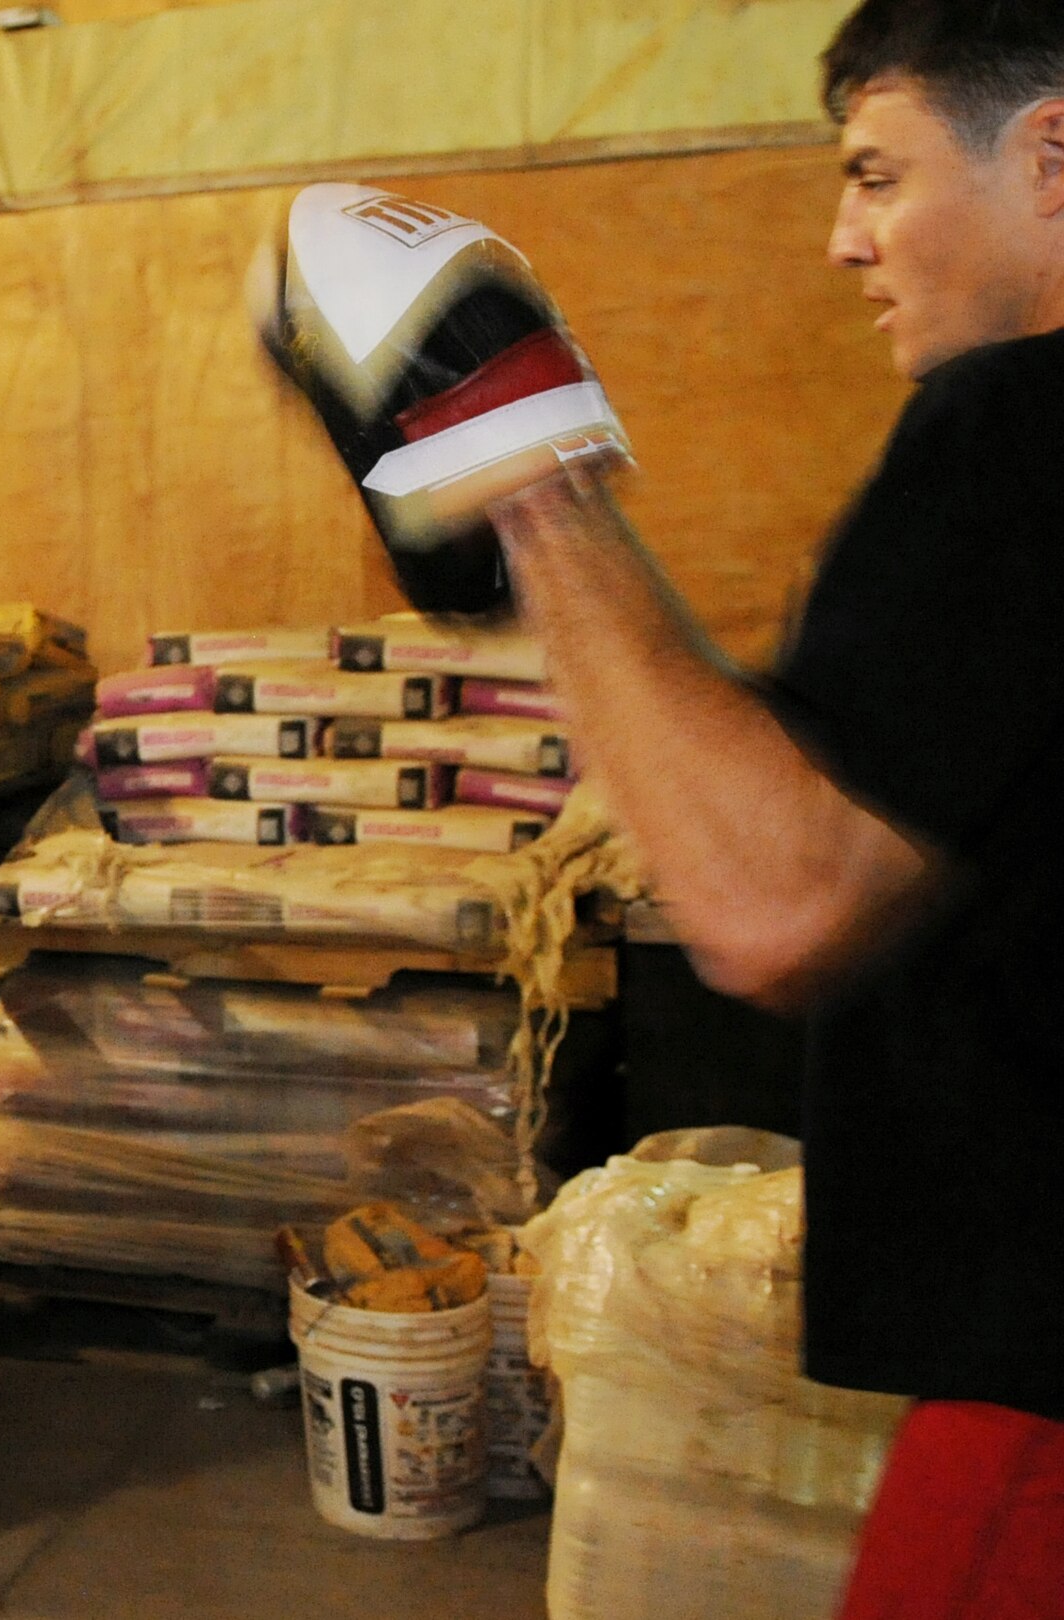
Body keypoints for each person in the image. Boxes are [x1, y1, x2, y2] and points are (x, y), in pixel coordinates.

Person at [482, 1, 1064, 1614]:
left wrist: (523, 470)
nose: (842, 240)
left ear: (1055, 158)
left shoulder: (1019, 424)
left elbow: (774, 897)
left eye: (877, 176)